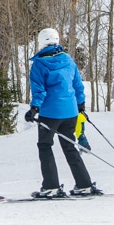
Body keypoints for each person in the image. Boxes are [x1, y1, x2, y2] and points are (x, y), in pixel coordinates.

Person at [25, 27, 100, 198]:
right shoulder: (67, 59)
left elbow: (39, 90)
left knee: (45, 146)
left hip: (50, 113)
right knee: (69, 146)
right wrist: (81, 105)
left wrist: (34, 108)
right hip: (70, 112)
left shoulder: (39, 64)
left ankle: (51, 186)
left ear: (41, 42)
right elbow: (78, 85)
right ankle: (84, 185)